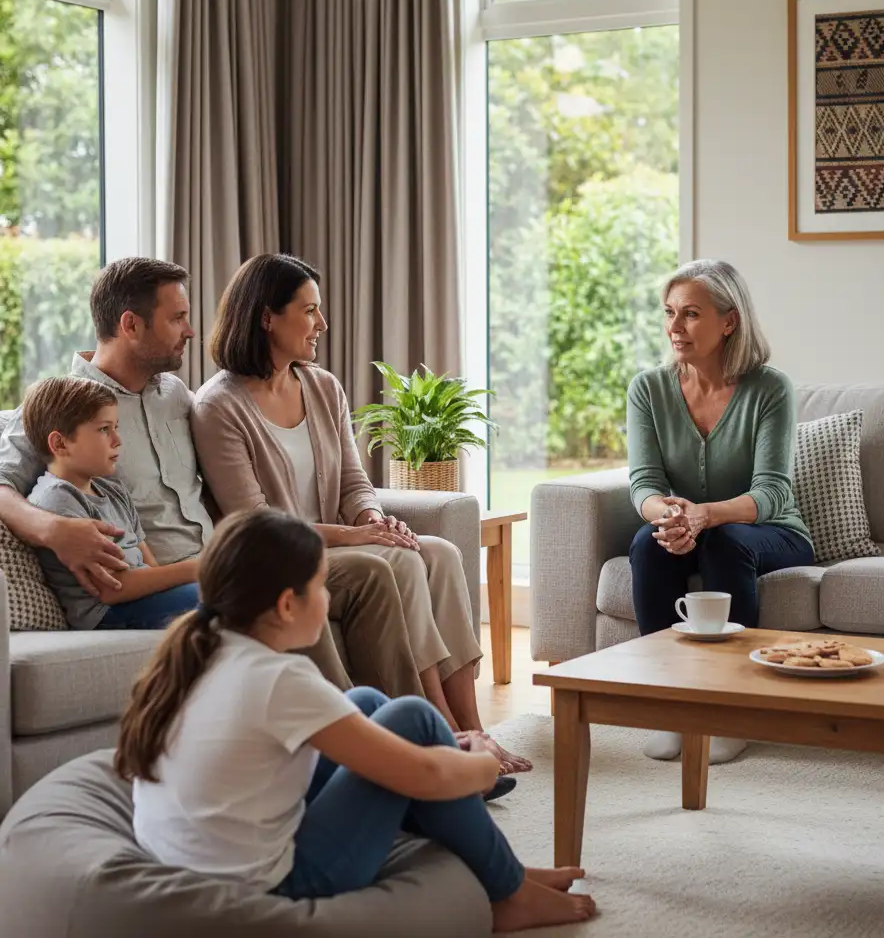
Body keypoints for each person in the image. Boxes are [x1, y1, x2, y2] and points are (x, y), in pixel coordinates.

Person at [116, 508, 596, 929]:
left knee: (367, 702)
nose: (327, 599)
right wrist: (484, 762)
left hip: (197, 864)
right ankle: (508, 893)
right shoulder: (278, 678)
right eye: (321, 586)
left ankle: (501, 869)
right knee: (412, 719)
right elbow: (426, 775)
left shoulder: (203, 646)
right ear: (287, 605)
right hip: (276, 884)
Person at [0, 259, 421, 699]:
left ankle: (402, 728)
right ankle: (350, 726)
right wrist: (53, 530)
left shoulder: (178, 397)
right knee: (281, 597)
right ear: (130, 325)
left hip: (220, 563)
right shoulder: (66, 409)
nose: (191, 331)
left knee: (366, 575)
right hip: (162, 584)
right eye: (177, 318)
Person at [190, 253, 531, 779]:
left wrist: (377, 518)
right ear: (266, 318)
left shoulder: (322, 387)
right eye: (309, 311)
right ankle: (441, 736)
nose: (321, 324)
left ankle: (475, 726)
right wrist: (356, 534)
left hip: (338, 540)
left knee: (437, 552)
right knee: (397, 565)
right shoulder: (219, 407)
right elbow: (256, 523)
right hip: (281, 558)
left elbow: (354, 482)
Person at [627, 259, 815, 764]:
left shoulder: (770, 388)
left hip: (770, 532)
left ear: (729, 320)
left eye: (690, 314)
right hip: (690, 528)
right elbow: (644, 483)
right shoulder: (648, 389)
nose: (674, 327)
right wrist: (664, 515)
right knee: (647, 544)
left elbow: (772, 491)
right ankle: (670, 708)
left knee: (726, 541)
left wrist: (705, 515)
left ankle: (731, 711)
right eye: (669, 312)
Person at [21, 376, 199, 629]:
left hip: (141, 598)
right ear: (60, 443)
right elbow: (110, 589)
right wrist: (198, 569)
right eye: (104, 429)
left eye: (116, 427)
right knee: (215, 599)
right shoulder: (56, 498)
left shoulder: (114, 491)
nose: (117, 440)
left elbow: (150, 566)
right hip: (108, 612)